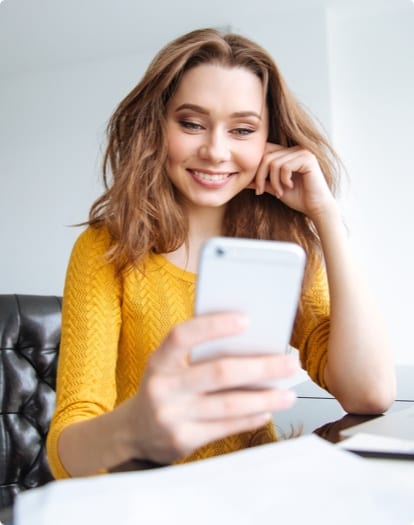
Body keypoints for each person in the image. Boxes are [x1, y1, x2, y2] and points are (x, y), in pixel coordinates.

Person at [46, 28, 396, 479]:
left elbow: (369, 393)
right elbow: (66, 449)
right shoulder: (106, 248)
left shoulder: (282, 245)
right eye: (191, 123)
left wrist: (324, 215)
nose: (215, 151)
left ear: (269, 139)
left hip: (256, 494)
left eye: (242, 130)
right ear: (157, 125)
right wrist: (135, 429)